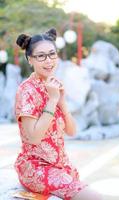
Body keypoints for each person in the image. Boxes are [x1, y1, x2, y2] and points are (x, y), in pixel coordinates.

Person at [15, 28, 102, 200]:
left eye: (52, 54)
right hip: (36, 167)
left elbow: (72, 131)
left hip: (60, 164)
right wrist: (52, 100)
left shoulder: (54, 85)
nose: (48, 61)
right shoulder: (26, 90)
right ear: (30, 59)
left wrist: (61, 102)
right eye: (41, 56)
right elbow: (33, 138)